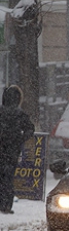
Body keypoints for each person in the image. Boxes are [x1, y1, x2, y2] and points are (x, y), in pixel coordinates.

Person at [0, 86, 35, 214]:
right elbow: (30, 129)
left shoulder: (1, 112)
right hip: (12, 151)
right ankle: (6, 205)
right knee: (8, 178)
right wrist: (20, 138)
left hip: (3, 148)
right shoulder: (20, 114)